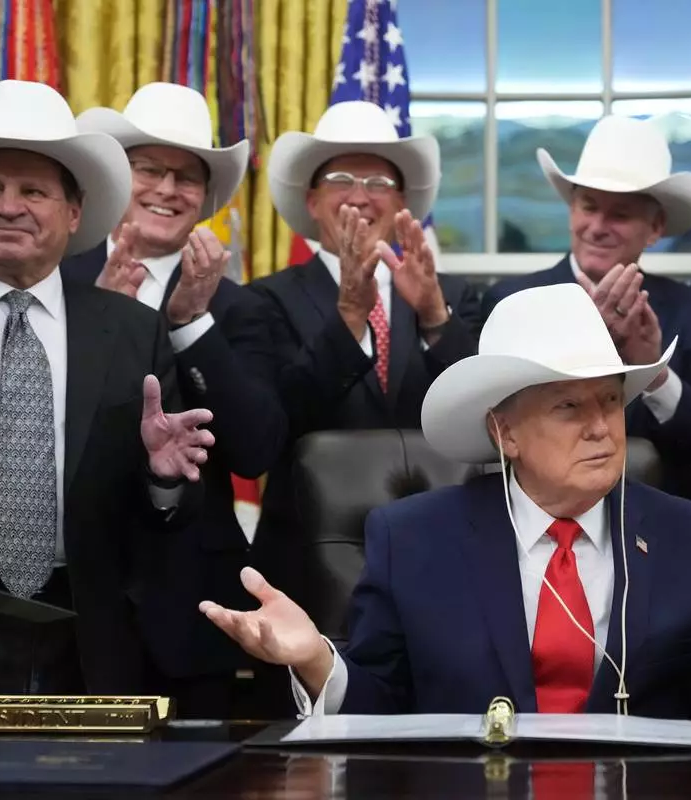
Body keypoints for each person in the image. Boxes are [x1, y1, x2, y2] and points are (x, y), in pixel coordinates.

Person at [199, 283, 691, 722]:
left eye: (611, 400)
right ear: (505, 431)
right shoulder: (414, 539)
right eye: (569, 408)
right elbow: (381, 706)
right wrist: (314, 661)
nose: (603, 425)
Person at [0, 79, 214, 701]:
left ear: (74, 212)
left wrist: (163, 479)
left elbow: (164, 520)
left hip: (92, 640)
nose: (9, 206)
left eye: (33, 190)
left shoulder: (131, 329)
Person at [244, 101, 480, 703]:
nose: (361, 195)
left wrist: (433, 318)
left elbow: (482, 418)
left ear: (403, 202)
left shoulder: (449, 297)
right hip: (306, 570)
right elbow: (273, 428)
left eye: (379, 181)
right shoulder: (263, 300)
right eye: (342, 180)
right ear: (313, 200)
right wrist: (348, 315)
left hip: (439, 563)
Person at [68, 82, 287, 718]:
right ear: (117, 178)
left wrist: (192, 321)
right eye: (150, 170)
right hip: (71, 596)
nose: (167, 189)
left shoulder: (241, 307)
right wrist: (100, 320)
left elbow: (255, 448)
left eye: (187, 176)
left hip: (190, 609)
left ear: (205, 200)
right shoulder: (58, 280)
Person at [481, 115, 691, 501]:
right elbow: (489, 434)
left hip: (661, 532)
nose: (597, 226)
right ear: (571, 208)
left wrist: (654, 373)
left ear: (656, 227)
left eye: (620, 214)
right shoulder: (512, 303)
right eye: (588, 207)